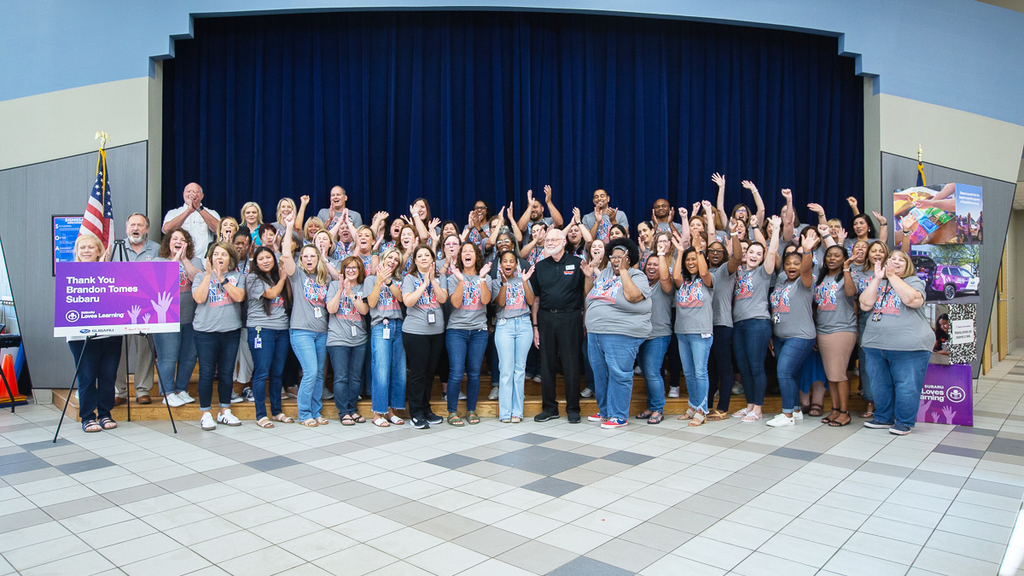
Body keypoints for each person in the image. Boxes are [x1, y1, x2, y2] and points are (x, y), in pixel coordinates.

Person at [859, 250, 931, 435]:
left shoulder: (914, 281)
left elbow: (912, 300)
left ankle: (905, 422)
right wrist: (877, 278)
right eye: (892, 258)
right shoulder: (877, 281)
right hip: (875, 344)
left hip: (909, 346)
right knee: (879, 384)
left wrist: (892, 276)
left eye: (901, 260)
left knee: (907, 385)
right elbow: (865, 305)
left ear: (908, 266)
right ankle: (883, 418)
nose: (896, 261)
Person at [583, 238, 652, 429]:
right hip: (596, 332)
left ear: (629, 259)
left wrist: (623, 272)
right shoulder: (604, 273)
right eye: (613, 257)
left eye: (620, 257)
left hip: (620, 332)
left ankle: (619, 415)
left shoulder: (637, 275)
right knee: (600, 373)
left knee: (619, 373)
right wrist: (589, 277)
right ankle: (605, 412)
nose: (615, 260)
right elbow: (591, 296)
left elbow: (632, 296)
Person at [530, 228, 586, 423]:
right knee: (546, 365)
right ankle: (550, 408)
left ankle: (573, 408)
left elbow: (586, 295)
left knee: (571, 365)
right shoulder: (540, 266)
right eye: (548, 240)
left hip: (571, 319)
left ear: (564, 242)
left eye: (554, 240)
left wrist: (585, 321)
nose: (550, 242)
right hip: (546, 319)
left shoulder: (578, 263)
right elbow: (536, 299)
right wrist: (535, 326)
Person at [279, 216, 331, 427]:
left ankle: (316, 411)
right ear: (301, 259)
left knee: (318, 374)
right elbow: (285, 254)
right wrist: (290, 226)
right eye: (306, 256)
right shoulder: (297, 275)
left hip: (322, 331)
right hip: (301, 331)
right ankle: (304, 413)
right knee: (309, 371)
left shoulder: (324, 278)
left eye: (313, 256)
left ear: (318, 259)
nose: (309, 259)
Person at [68, 234, 122, 432]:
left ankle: (106, 414)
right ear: (77, 251)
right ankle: (88, 417)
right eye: (82, 248)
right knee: (87, 376)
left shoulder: (112, 273)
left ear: (99, 251)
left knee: (108, 375)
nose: (86, 251)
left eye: (91, 247)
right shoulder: (70, 273)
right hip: (80, 336)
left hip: (110, 334)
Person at [732, 215, 781, 422]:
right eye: (751, 252)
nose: (754, 255)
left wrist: (776, 229)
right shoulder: (738, 273)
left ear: (762, 258)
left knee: (755, 366)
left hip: (757, 323)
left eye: (758, 253)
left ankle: (758, 409)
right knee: (743, 368)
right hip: (739, 323)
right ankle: (750, 405)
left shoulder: (764, 272)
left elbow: (772, 251)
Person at [192, 242, 246, 431]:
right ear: (210, 258)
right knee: (206, 372)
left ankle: (224, 411)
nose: (219, 257)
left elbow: (239, 297)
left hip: (230, 331)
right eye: (215, 254)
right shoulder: (200, 277)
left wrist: (222, 279)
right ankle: (205, 413)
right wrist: (209, 275)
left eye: (223, 254)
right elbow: (199, 298)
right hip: (205, 332)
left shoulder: (238, 277)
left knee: (226, 371)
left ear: (230, 258)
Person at [765, 235, 817, 427]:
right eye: (788, 263)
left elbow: (806, 269)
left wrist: (807, 251)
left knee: (784, 372)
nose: (792, 266)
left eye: (797, 263)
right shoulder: (780, 282)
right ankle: (795, 409)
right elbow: (775, 310)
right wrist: (772, 333)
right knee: (791, 374)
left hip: (800, 336)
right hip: (780, 337)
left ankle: (787, 415)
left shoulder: (804, 282)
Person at [111, 213, 160, 405]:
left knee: (146, 349)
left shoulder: (156, 249)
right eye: (132, 225)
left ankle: (142, 390)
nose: (136, 228)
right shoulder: (115, 248)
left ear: (147, 229)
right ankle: (119, 391)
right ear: (126, 228)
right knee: (119, 350)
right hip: (119, 307)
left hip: (147, 307)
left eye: (140, 225)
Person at [153, 229, 203, 408]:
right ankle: (167, 392)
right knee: (168, 357)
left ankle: (181, 389)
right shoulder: (159, 261)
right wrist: (176, 260)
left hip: (191, 317)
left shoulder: (195, 261)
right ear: (168, 242)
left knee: (189, 356)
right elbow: (162, 280)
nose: (178, 241)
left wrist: (184, 259)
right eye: (175, 238)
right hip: (166, 318)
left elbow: (198, 278)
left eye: (183, 239)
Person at [444, 242, 492, 425]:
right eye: (464, 251)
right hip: (457, 331)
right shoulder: (453, 278)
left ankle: (471, 410)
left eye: (471, 251)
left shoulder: (484, 277)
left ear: (476, 256)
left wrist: (481, 279)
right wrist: (462, 281)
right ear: (460, 257)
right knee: (456, 373)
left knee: (474, 373)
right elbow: (455, 304)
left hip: (479, 331)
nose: (467, 253)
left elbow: (486, 300)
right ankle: (452, 412)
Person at [245, 246, 293, 428]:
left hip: (282, 329)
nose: (266, 261)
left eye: (268, 257)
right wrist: (282, 279)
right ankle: (261, 414)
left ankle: (277, 411)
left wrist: (284, 277)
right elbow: (271, 294)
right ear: (256, 262)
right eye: (261, 258)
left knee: (277, 373)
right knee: (262, 372)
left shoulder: (277, 277)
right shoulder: (252, 278)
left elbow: (288, 297)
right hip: (261, 329)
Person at [402, 244, 449, 429]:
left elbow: (443, 298)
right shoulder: (409, 278)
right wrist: (423, 284)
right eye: (419, 256)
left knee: (430, 374)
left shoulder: (441, 277)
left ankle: (426, 409)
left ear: (432, 259)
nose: (423, 258)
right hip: (415, 333)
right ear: (415, 260)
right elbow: (408, 301)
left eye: (426, 255)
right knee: (418, 374)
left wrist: (433, 280)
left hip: (436, 332)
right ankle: (415, 413)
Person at [815, 245, 858, 427]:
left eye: (837, 256)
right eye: (829, 255)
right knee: (831, 374)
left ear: (844, 259)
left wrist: (847, 268)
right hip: (823, 330)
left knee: (839, 374)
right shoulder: (822, 278)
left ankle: (844, 412)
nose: (832, 259)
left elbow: (850, 293)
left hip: (842, 329)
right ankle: (834, 409)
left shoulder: (847, 276)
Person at [672, 243, 715, 426]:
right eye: (688, 260)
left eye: (694, 259)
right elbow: (674, 276)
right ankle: (693, 405)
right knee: (689, 373)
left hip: (701, 332)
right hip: (682, 332)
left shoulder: (707, 280)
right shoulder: (684, 281)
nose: (691, 262)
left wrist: (698, 251)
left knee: (700, 371)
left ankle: (703, 410)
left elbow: (704, 274)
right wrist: (680, 252)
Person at [491, 251, 536, 423]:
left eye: (512, 261)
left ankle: (517, 412)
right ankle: (505, 412)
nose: (508, 264)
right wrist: (504, 284)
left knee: (519, 370)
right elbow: (501, 303)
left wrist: (525, 282)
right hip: (504, 325)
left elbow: (531, 301)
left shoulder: (523, 280)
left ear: (516, 265)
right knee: (506, 370)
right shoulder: (496, 282)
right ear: (500, 265)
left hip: (524, 324)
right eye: (505, 261)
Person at [326, 256, 370, 426]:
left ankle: (352, 409)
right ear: (343, 270)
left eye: (354, 268)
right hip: (338, 339)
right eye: (348, 267)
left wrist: (351, 294)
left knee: (355, 377)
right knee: (341, 377)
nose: (351, 270)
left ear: (359, 271)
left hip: (359, 339)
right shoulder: (333, 285)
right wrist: (340, 290)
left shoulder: (363, 287)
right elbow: (331, 309)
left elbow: (364, 310)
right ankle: (343, 411)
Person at [706, 225, 743, 419]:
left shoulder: (725, 270)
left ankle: (723, 408)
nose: (714, 253)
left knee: (724, 368)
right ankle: (707, 406)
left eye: (719, 251)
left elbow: (737, 257)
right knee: (710, 369)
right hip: (705, 326)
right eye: (711, 251)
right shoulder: (702, 271)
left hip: (721, 325)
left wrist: (735, 235)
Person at [366, 248, 406, 427]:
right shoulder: (369, 279)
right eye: (390, 257)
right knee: (381, 369)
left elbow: (401, 298)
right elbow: (372, 303)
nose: (393, 261)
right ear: (383, 258)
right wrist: (378, 282)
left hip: (398, 325)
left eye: (396, 259)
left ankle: (392, 411)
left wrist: (388, 281)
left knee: (398, 370)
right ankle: (378, 412)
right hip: (380, 326)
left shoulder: (400, 280)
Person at [634, 242, 674, 424]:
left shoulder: (665, 285)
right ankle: (651, 406)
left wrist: (661, 255)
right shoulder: (643, 284)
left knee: (652, 372)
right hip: (641, 335)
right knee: (647, 373)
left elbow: (665, 278)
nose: (651, 267)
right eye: (649, 264)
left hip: (658, 334)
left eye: (656, 264)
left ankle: (658, 408)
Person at [161, 182, 220, 259]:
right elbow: (166, 230)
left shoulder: (211, 213)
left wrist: (199, 208)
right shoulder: (173, 213)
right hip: (178, 260)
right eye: (189, 192)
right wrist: (188, 211)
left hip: (203, 261)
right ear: (183, 194)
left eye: (195, 192)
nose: (192, 194)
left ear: (202, 196)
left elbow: (220, 230)